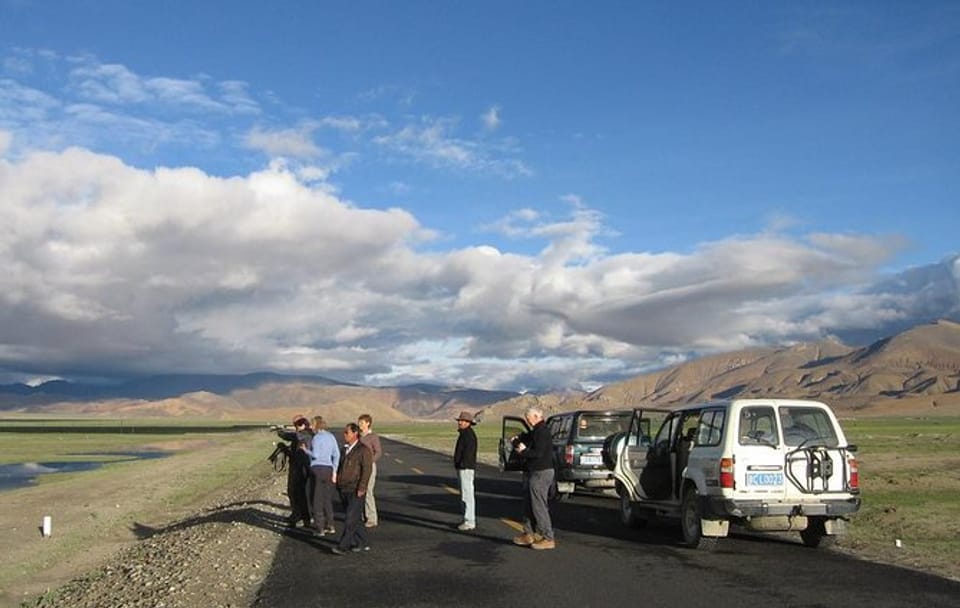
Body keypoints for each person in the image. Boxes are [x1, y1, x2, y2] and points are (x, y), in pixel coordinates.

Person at [511, 406, 556, 550]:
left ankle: (548, 537)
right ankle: (528, 534)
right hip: (534, 471)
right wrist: (517, 440)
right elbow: (527, 437)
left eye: (528, 418)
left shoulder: (542, 432)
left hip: (541, 472)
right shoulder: (536, 431)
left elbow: (538, 453)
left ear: (536, 416)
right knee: (528, 504)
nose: (527, 421)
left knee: (538, 506)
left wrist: (524, 451)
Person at [332, 422, 373, 555]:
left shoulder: (363, 450)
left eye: (347, 432)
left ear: (355, 433)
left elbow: (367, 470)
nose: (344, 435)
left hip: (356, 489)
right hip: (343, 488)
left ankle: (343, 546)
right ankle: (363, 542)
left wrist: (362, 487)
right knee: (355, 518)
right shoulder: (344, 450)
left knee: (350, 518)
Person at [302, 415, 339, 536]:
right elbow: (336, 454)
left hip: (317, 469)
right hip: (329, 469)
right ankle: (331, 525)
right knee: (327, 499)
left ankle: (320, 528)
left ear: (316, 425)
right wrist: (334, 470)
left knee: (316, 499)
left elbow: (316, 455)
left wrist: (306, 450)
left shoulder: (316, 438)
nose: (311, 427)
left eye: (312, 425)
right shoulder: (331, 436)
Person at [275, 415, 313, 528]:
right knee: (296, 493)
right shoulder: (305, 434)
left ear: (303, 424)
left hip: (301, 468)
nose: (295, 427)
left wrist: (280, 431)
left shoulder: (304, 434)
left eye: (297, 424)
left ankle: (301, 517)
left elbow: (289, 436)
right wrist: (285, 449)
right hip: (298, 466)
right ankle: (299, 516)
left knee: (297, 493)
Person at [453, 410, 478, 531]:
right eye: (460, 420)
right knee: (464, 494)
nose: (460, 423)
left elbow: (468, 453)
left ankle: (469, 521)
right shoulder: (464, 434)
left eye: (463, 421)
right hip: (463, 468)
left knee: (467, 495)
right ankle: (466, 519)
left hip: (466, 468)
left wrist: (462, 464)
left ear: (468, 423)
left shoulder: (468, 435)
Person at [358, 413, 382, 528]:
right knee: (359, 490)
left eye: (362, 423)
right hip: (358, 467)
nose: (360, 425)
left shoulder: (373, 437)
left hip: (369, 467)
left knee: (368, 491)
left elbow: (378, 452)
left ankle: (372, 518)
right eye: (359, 422)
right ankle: (361, 514)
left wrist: (369, 461)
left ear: (368, 423)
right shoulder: (358, 436)